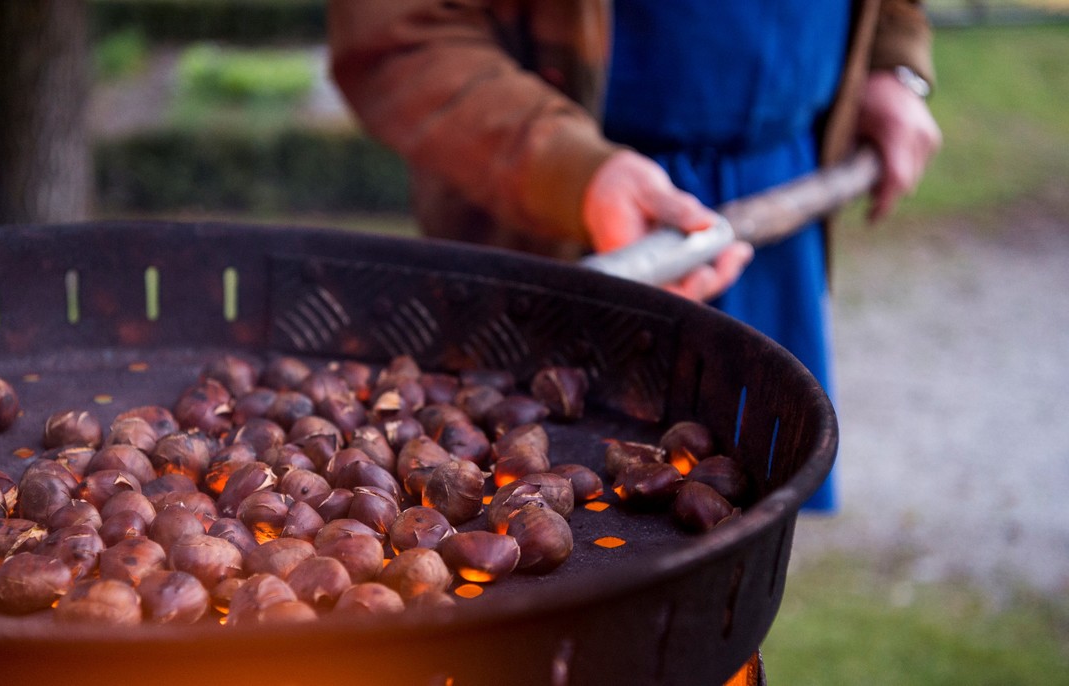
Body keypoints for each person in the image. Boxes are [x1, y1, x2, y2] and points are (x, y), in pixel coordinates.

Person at [327, 0, 942, 511]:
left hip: (777, 211)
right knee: (544, 528)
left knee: (744, 524)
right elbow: (396, 35)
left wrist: (893, 63)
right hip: (557, 234)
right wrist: (573, 175)